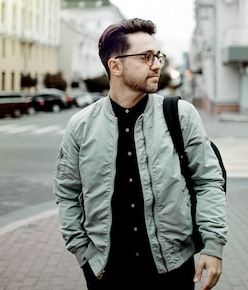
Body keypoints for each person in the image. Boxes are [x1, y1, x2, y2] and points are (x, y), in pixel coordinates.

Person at [53, 18, 227, 290]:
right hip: (106, 272)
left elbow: (208, 181)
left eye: (158, 56)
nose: (157, 64)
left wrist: (213, 245)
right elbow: (66, 193)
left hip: (172, 269)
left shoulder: (180, 115)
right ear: (116, 65)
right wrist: (83, 253)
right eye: (146, 57)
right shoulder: (81, 126)